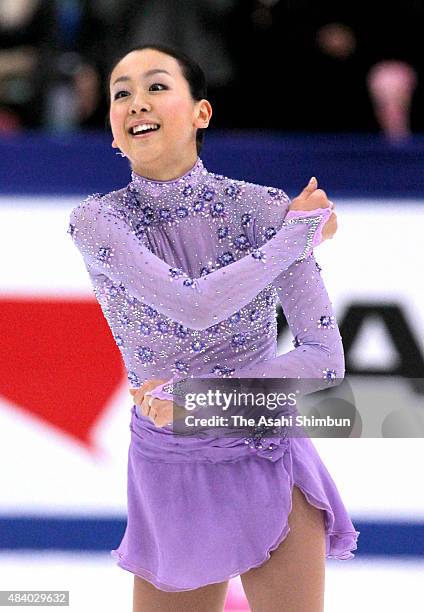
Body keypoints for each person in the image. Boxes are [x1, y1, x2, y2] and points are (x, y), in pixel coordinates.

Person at [68, 43, 360, 612]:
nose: (135, 102)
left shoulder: (264, 209)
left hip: (267, 452)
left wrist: (204, 402)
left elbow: (325, 359)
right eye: (120, 92)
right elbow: (193, 306)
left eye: (155, 86)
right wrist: (294, 238)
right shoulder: (99, 221)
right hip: (171, 466)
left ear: (201, 113)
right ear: (110, 128)